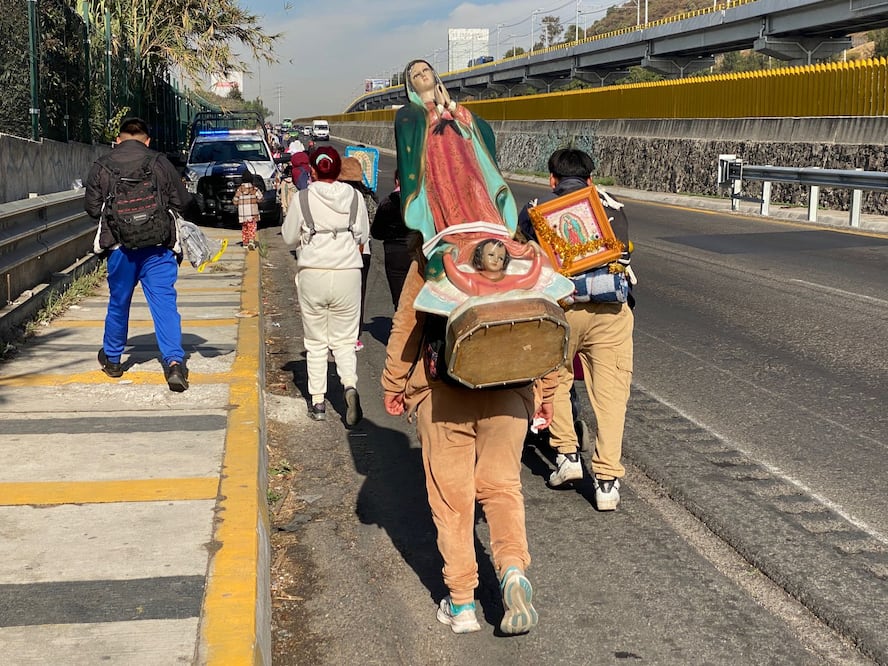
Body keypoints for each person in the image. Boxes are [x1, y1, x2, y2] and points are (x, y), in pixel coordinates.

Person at [382, 243, 556, 635]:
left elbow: (407, 325)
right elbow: (546, 324)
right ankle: (512, 570)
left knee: (452, 499)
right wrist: (547, 392)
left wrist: (394, 383)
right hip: (512, 387)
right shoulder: (518, 250)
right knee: (502, 488)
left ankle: (461, 604)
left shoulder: (432, 252)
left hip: (444, 392)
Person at [517, 148, 634, 511]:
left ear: (552, 180)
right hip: (610, 313)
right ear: (590, 179)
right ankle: (607, 482)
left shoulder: (535, 211)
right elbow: (625, 259)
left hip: (560, 310)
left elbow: (521, 256)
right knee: (611, 397)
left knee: (555, 380)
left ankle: (567, 456)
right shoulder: (612, 209)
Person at [83, 116, 192, 392]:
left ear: (118, 140)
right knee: (165, 305)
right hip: (158, 247)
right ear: (147, 140)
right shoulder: (159, 162)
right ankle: (174, 364)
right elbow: (182, 201)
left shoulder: (102, 165)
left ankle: (113, 360)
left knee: (119, 303)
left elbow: (93, 209)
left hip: (121, 249)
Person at [281, 146, 369, 426]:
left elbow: (288, 238)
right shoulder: (355, 197)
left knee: (316, 341)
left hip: (313, 273)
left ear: (314, 170)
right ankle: (349, 386)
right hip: (347, 273)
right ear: (338, 169)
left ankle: (317, 401)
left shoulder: (302, 198)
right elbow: (363, 234)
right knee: (344, 339)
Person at [395, 59, 518, 240]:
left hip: (467, 166)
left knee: (476, 193)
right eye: (416, 75)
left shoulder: (453, 109)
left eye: (426, 70)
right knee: (449, 201)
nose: (423, 75)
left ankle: (491, 232)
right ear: (411, 86)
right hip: (439, 171)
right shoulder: (410, 113)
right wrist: (438, 108)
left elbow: (478, 129)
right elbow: (414, 133)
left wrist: (451, 106)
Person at [338, 156, 378, 350]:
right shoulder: (368, 195)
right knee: (358, 294)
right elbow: (370, 226)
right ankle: (354, 334)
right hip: (363, 251)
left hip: (341, 251)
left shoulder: (339, 195)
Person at [370, 170, 414, 308]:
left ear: (396, 181)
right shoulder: (417, 202)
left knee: (399, 298)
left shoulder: (387, 202)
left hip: (393, 253)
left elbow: (376, 232)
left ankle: (400, 326)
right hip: (416, 251)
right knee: (415, 295)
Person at [232, 171, 260, 249]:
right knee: (252, 227)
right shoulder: (254, 189)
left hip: (243, 214)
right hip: (252, 213)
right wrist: (256, 200)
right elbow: (260, 198)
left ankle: (245, 242)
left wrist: (237, 202)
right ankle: (251, 241)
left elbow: (235, 200)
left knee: (245, 228)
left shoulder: (239, 190)